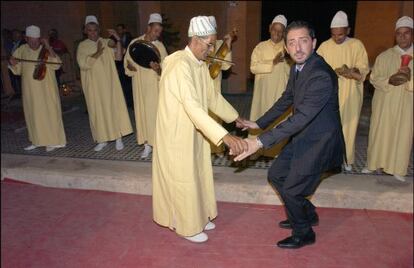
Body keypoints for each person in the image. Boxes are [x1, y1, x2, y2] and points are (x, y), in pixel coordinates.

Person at [235, 21, 345, 249]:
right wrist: (258, 123)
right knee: (276, 175)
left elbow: (302, 117)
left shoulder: (320, 75)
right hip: (303, 136)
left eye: (303, 41)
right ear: (286, 48)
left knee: (292, 189)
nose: (298, 48)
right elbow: (287, 98)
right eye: (292, 43)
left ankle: (304, 233)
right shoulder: (298, 67)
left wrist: (259, 141)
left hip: (320, 141)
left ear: (313, 43)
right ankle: (307, 213)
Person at [152, 16, 248, 243]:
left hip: (194, 131)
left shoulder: (199, 65)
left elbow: (211, 97)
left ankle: (199, 217)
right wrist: (224, 136)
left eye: (212, 43)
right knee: (183, 178)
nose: (212, 48)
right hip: (176, 134)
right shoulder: (178, 64)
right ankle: (186, 226)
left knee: (198, 173)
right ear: (195, 39)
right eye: (209, 44)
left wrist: (236, 118)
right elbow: (192, 106)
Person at [362, 16, 413, 182]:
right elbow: (374, 78)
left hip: (407, 104)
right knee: (379, 133)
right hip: (384, 103)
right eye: (399, 33)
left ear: (412, 34)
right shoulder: (384, 56)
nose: (402, 37)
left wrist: (409, 79)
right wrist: (389, 80)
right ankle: (373, 164)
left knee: (403, 135)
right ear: (395, 35)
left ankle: (398, 169)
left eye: (406, 33)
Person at [317, 10, 369, 172]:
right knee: (328, 127)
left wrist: (351, 72)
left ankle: (347, 159)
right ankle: (327, 159)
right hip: (329, 94)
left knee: (348, 127)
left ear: (348, 30)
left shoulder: (357, 45)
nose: (337, 38)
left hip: (351, 93)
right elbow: (316, 68)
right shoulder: (325, 46)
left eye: (340, 34)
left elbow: (363, 70)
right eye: (333, 34)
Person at [77, 15, 133, 152]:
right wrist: (98, 52)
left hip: (109, 83)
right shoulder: (82, 46)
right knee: (97, 112)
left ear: (99, 30)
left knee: (113, 108)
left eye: (95, 30)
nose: (93, 33)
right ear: (85, 31)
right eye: (90, 30)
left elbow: (119, 56)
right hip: (93, 86)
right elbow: (83, 64)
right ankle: (102, 139)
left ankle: (118, 137)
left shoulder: (107, 42)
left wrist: (118, 39)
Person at [9, 25, 66, 152]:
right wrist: (12, 63)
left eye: (37, 40)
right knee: (33, 116)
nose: (34, 43)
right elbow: (17, 70)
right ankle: (36, 140)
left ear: (40, 39)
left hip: (47, 91)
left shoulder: (45, 51)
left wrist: (48, 46)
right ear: (26, 38)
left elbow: (57, 65)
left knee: (50, 114)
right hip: (30, 91)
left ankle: (55, 141)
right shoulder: (21, 50)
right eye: (31, 40)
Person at [124, 13, 168, 159]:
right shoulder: (135, 43)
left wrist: (158, 69)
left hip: (155, 89)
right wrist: (130, 67)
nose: (157, 34)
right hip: (139, 86)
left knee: (155, 116)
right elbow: (127, 63)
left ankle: (157, 145)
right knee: (142, 115)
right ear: (148, 28)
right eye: (155, 31)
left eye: (159, 32)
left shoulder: (160, 47)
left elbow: (166, 71)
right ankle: (147, 145)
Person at [249, 15, 291, 159]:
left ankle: (276, 152)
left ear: (285, 33)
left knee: (279, 120)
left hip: (280, 93)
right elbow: (253, 67)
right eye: (275, 30)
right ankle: (255, 150)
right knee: (260, 118)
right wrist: (272, 62)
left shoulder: (288, 48)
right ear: (270, 29)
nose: (277, 34)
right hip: (263, 93)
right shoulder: (260, 47)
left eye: (281, 32)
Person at [207, 15, 235, 158]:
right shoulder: (200, 45)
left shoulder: (220, 44)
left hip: (214, 89)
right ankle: (203, 149)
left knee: (215, 119)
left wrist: (228, 45)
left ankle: (217, 149)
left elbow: (225, 66)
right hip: (200, 88)